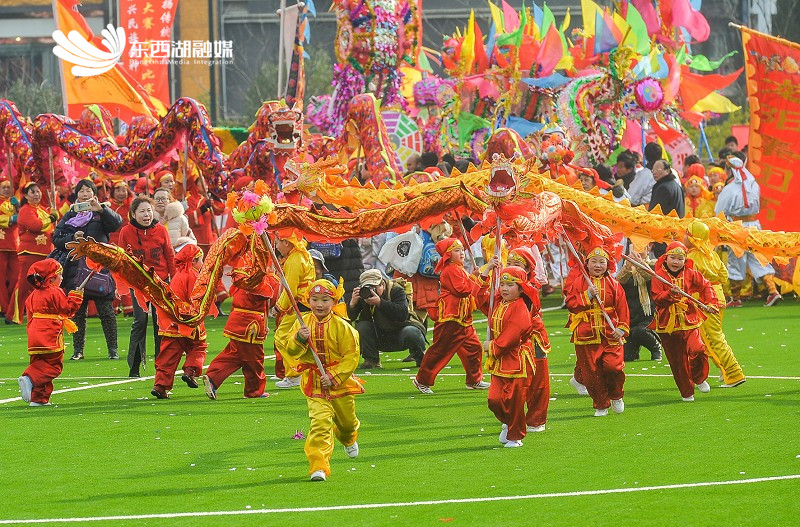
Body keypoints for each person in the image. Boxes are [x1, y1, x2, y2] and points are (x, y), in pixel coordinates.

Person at [283, 278, 364, 482]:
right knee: (319, 423)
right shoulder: (301, 323)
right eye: (315, 299)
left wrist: (334, 376)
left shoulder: (343, 327)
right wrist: (299, 338)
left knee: (347, 425)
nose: (319, 304)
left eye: (325, 300)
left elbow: (351, 356)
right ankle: (318, 466)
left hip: (340, 385)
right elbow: (290, 350)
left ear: (334, 301)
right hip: (314, 384)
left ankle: (348, 438)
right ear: (308, 300)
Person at [412, 238, 499, 394]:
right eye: (457, 250)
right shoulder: (450, 270)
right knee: (441, 350)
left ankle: (474, 380)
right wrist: (483, 272)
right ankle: (422, 380)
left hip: (463, 318)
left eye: (462, 250)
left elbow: (467, 285)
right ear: (448, 254)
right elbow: (463, 290)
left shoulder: (458, 268)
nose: (462, 253)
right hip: (450, 318)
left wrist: (474, 275)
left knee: (473, 348)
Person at [52, 179, 123, 360]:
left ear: (94, 194)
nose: (85, 194)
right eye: (81, 191)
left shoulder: (101, 211)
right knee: (77, 312)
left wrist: (101, 209)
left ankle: (113, 350)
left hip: (98, 268)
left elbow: (116, 223)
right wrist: (72, 237)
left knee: (106, 311)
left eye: (88, 190)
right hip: (75, 269)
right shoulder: (70, 214)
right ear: (76, 194)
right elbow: (56, 238)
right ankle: (78, 351)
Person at [649, 242, 720, 401]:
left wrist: (710, 303)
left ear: (685, 260)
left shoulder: (691, 273)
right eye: (672, 258)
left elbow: (706, 286)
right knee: (678, 361)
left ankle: (699, 377)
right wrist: (670, 294)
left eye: (680, 259)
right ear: (666, 258)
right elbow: (657, 298)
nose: (676, 262)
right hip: (668, 324)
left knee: (698, 349)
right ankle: (687, 392)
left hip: (689, 319)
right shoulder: (658, 276)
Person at [564, 246, 629, 417]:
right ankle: (601, 404)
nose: (598, 265)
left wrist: (621, 328)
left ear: (608, 264)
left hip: (610, 333)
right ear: (586, 263)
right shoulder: (579, 281)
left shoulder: (614, 284)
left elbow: (622, 308)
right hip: (586, 334)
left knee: (614, 367)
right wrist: (587, 295)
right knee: (591, 373)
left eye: (602, 262)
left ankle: (616, 395)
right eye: (594, 261)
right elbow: (571, 304)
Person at [203, 260, 278, 399]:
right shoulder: (261, 278)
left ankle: (213, 376)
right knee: (254, 359)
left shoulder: (243, 275)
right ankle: (254, 391)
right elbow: (271, 298)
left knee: (234, 354)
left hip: (237, 319)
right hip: (251, 323)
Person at [118, 196, 175, 377]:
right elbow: (122, 260)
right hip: (138, 284)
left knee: (161, 324)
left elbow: (170, 255)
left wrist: (174, 280)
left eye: (149, 211)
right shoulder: (126, 232)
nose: (146, 215)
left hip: (160, 282)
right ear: (133, 214)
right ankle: (134, 366)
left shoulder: (161, 230)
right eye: (142, 211)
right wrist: (123, 284)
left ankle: (161, 366)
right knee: (140, 321)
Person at [684, 221, 746, 388]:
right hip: (718, 297)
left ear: (693, 238)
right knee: (707, 338)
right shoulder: (712, 254)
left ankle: (734, 373)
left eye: (687, 234)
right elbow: (724, 275)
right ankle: (724, 369)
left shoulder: (691, 257)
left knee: (713, 339)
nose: (684, 237)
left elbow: (687, 280)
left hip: (704, 300)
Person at [715, 156, 782, 307]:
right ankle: (772, 291)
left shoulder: (729, 189)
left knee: (735, 261)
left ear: (729, 170)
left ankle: (736, 299)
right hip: (754, 226)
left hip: (737, 227)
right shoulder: (754, 185)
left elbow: (719, 211)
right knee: (758, 258)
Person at [481, 266, 536, 448]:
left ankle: (515, 436)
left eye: (510, 285)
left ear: (521, 288)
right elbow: (481, 299)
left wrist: (492, 346)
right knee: (494, 400)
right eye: (502, 284)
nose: (504, 288)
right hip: (499, 361)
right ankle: (508, 422)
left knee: (514, 401)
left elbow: (513, 334)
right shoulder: (498, 302)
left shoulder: (520, 308)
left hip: (516, 360)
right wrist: (485, 273)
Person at [17, 259, 84, 406]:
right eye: (60, 275)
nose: (62, 278)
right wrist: (76, 297)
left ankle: (39, 399)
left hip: (34, 334)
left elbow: (29, 315)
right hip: (50, 334)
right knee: (54, 366)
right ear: (52, 278)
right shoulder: (54, 291)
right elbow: (67, 309)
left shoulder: (33, 295)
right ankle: (29, 378)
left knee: (39, 363)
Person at [151, 244, 209, 399]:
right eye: (201, 260)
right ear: (194, 260)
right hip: (188, 322)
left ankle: (160, 386)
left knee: (168, 357)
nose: (202, 263)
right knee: (199, 347)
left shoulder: (177, 275)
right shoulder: (193, 275)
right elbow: (196, 299)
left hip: (172, 323)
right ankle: (190, 371)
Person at [507, 247, 551, 433]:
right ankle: (510, 417)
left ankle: (536, 419)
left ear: (527, 269)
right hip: (509, 340)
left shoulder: (530, 288)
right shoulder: (503, 286)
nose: (511, 267)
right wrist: (484, 276)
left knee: (537, 381)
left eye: (517, 264)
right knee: (510, 381)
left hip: (533, 339)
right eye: (508, 264)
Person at [347, 269, 426, 369]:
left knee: (412, 331)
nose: (371, 291)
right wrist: (352, 304)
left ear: (382, 284)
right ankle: (371, 360)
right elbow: (348, 319)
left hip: (400, 332)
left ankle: (421, 358)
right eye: (368, 287)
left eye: (374, 287)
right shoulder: (363, 295)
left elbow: (402, 314)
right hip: (378, 335)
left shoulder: (396, 290)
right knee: (362, 326)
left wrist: (380, 303)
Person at [7, 183, 59, 324]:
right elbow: (36, 226)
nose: (36, 194)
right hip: (29, 253)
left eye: (37, 191)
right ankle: (13, 315)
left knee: (45, 285)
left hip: (45, 252)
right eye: (32, 192)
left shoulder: (42, 210)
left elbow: (48, 229)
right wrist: (51, 218)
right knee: (24, 285)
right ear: (26, 195)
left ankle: (42, 313)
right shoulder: (25, 210)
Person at [273, 232, 315, 387]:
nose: (276, 247)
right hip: (305, 304)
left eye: (277, 242)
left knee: (282, 337)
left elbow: (290, 288)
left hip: (300, 305)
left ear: (286, 242)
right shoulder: (303, 254)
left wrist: (278, 307)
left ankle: (295, 373)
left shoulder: (295, 259)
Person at [616, 251, 662, 362]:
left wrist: (640, 264)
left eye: (641, 248)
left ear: (648, 248)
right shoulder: (625, 268)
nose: (637, 251)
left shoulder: (654, 265)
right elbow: (617, 284)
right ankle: (634, 350)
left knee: (640, 331)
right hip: (630, 316)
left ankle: (656, 347)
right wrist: (627, 267)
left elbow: (651, 277)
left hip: (648, 316)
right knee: (626, 356)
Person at [649, 159, 685, 257]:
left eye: (658, 169)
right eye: (653, 170)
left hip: (663, 237)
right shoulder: (676, 186)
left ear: (667, 170)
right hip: (675, 235)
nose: (654, 172)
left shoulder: (663, 188)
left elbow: (655, 213)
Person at [0, 178, 20, 317]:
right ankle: (3, 308)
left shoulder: (15, 202)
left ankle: (13, 307)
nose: (7, 189)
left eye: (9, 187)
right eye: (4, 187)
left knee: (15, 278)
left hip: (15, 245)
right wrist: (11, 219)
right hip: (1, 245)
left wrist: (18, 207)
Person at [628, 142, 661, 207]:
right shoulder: (673, 172)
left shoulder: (644, 174)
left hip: (647, 211)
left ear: (645, 155)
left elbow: (631, 199)